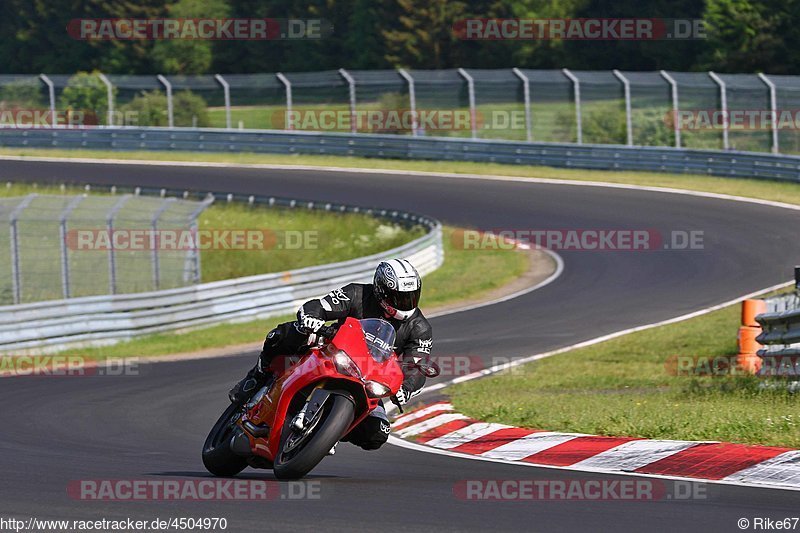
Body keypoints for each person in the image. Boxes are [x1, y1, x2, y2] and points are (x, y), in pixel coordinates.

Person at [229, 258, 433, 451]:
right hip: (332, 351)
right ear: (381, 290)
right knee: (286, 334)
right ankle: (256, 376)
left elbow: (416, 365)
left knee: (377, 432)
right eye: (399, 297)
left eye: (411, 296)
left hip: (368, 377)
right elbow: (321, 305)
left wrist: (405, 388)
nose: (406, 302)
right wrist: (312, 318)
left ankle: (329, 430)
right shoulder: (357, 293)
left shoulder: (420, 328)